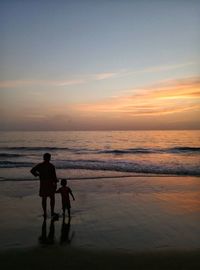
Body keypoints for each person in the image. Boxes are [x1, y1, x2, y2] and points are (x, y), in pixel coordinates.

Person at [30, 153, 58, 218]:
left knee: (44, 198)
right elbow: (54, 176)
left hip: (43, 183)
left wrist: (37, 175)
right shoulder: (51, 166)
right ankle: (52, 212)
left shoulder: (40, 165)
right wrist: (55, 183)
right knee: (52, 198)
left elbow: (32, 171)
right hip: (50, 183)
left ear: (43, 158)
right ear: (49, 158)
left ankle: (45, 213)